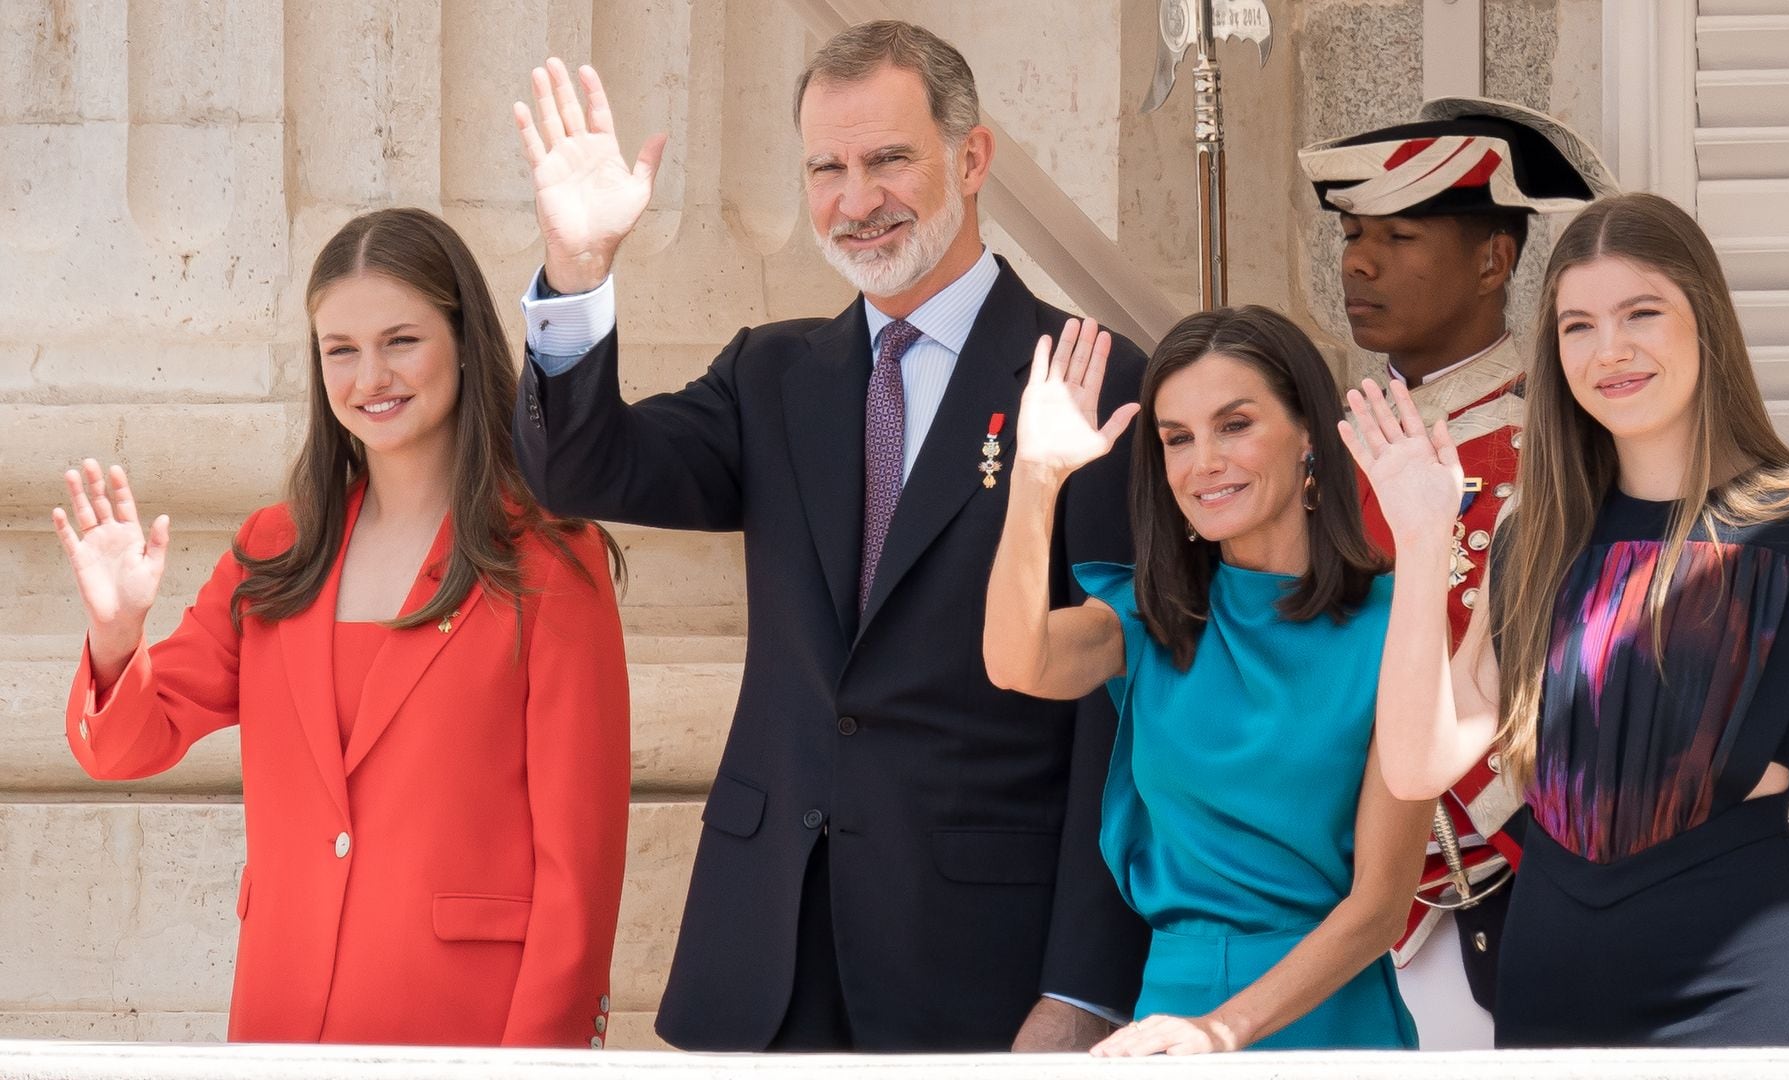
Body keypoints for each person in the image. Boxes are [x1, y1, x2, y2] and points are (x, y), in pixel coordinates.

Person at [508, 21, 1149, 1052]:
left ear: (971, 157)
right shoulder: (771, 375)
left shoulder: (1091, 378)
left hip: (982, 961)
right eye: (827, 168)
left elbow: (1120, 714)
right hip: (766, 954)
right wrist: (576, 270)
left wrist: (1085, 986)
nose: (857, 201)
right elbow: (581, 468)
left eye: (889, 159)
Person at [52, 209, 632, 1046]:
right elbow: (123, 747)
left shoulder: (547, 560)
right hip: (281, 1024)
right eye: (342, 349)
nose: (371, 376)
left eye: (401, 340)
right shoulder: (274, 550)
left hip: (466, 1034)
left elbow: (581, 869)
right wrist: (116, 637)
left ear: (465, 343)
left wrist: (538, 1068)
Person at [1343, 192, 1789, 1046]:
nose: (1611, 350)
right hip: (1545, 981)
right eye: (1577, 326)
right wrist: (1421, 542)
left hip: (1733, 989)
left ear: (1704, 319)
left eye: (1642, 312)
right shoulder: (1534, 532)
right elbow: (1418, 766)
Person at [982, 307, 1431, 1054]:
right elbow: (1015, 661)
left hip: (1327, 1022)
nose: (1204, 462)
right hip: (1167, 1021)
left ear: (1309, 435)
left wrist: (1222, 1030)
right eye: (1178, 439)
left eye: (1235, 425)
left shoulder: (1394, 627)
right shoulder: (1149, 615)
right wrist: (1036, 476)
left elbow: (1381, 908)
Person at [1296, 96, 1616, 1045]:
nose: (1358, 261)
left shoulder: (1569, 450)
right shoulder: (1331, 445)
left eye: (1398, 235)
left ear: (1494, 260)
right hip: (1339, 907)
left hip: (1511, 895)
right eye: (1354, 235)